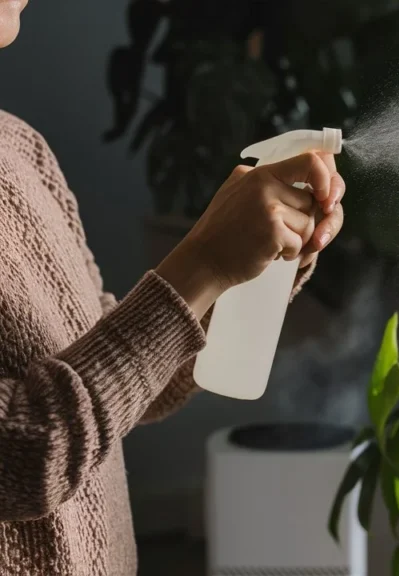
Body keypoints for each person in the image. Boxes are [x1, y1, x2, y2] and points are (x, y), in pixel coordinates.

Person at [0, 2, 347, 573]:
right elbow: (27, 451)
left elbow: (126, 391)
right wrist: (206, 259)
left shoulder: (21, 151)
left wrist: (254, 261)